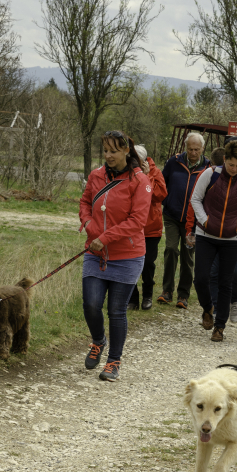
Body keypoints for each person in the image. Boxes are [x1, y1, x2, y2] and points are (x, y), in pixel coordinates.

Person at [79, 131, 152, 382]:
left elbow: (137, 221)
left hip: (127, 256)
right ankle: (99, 341)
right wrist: (89, 226)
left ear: (125, 151)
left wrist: (106, 238)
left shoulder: (139, 181)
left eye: (113, 151)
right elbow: (85, 203)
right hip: (95, 252)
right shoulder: (95, 175)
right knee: (90, 304)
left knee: (116, 311)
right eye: (105, 151)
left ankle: (113, 362)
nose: (108, 155)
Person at [187, 140, 237, 342]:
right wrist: (205, 221)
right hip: (206, 235)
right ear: (224, 159)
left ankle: (220, 326)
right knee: (200, 278)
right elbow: (195, 199)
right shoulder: (210, 174)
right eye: (231, 164)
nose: (234, 169)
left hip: (232, 239)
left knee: (226, 282)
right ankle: (208, 307)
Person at [158, 132, 210, 309]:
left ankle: (183, 295)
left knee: (188, 257)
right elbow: (162, 183)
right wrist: (166, 201)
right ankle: (166, 291)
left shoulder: (208, 167)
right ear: (185, 147)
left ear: (202, 148)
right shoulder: (174, 162)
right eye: (190, 149)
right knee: (171, 249)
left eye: (196, 149)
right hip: (172, 215)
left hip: (194, 221)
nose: (193, 152)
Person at [128, 145, 168, 311]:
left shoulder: (155, 172)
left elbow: (160, 195)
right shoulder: (126, 172)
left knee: (147, 265)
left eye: (137, 160)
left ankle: (147, 296)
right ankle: (132, 299)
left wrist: (147, 175)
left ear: (144, 160)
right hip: (131, 228)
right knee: (129, 264)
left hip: (151, 228)